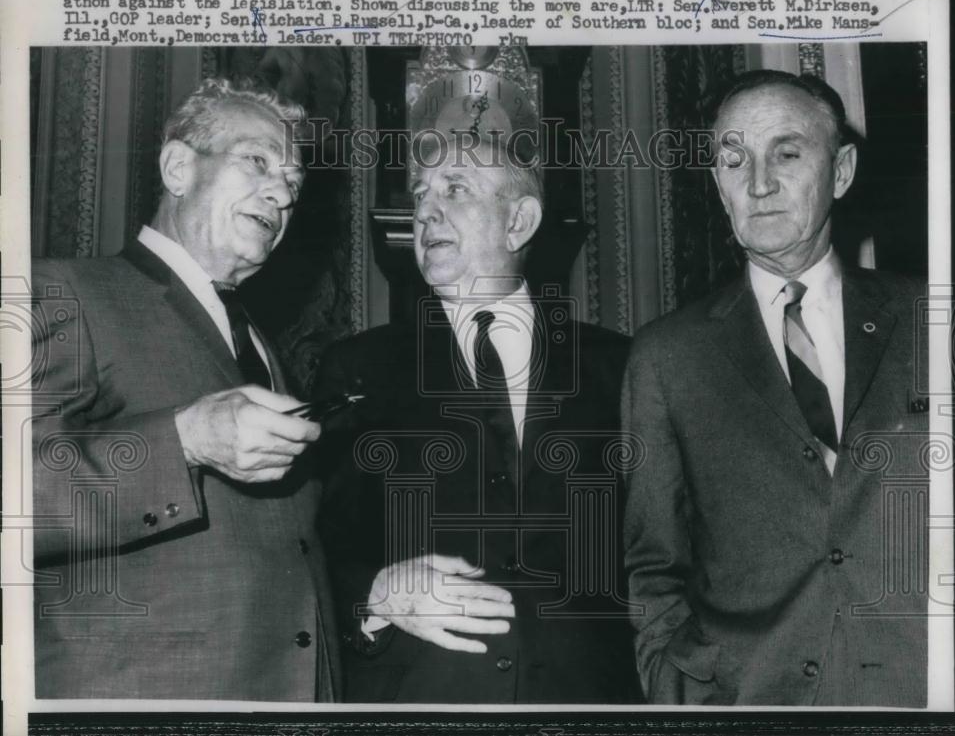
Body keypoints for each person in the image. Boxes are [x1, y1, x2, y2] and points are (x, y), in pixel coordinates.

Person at [623, 70, 928, 706]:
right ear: (719, 185)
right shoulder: (666, 357)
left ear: (840, 172)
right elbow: (654, 566)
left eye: (787, 154)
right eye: (735, 161)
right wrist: (674, 689)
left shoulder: (933, 321)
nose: (759, 183)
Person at [32, 78, 341, 700]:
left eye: (293, 182)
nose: (283, 193)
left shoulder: (260, 343)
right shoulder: (63, 291)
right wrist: (185, 441)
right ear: (178, 168)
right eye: (258, 162)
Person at [313, 132, 641, 703]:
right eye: (420, 195)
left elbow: (665, 549)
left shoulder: (621, 367)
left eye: (455, 189)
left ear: (519, 221)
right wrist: (376, 593)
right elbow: (313, 542)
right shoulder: (358, 368)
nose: (424, 212)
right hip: (419, 701)